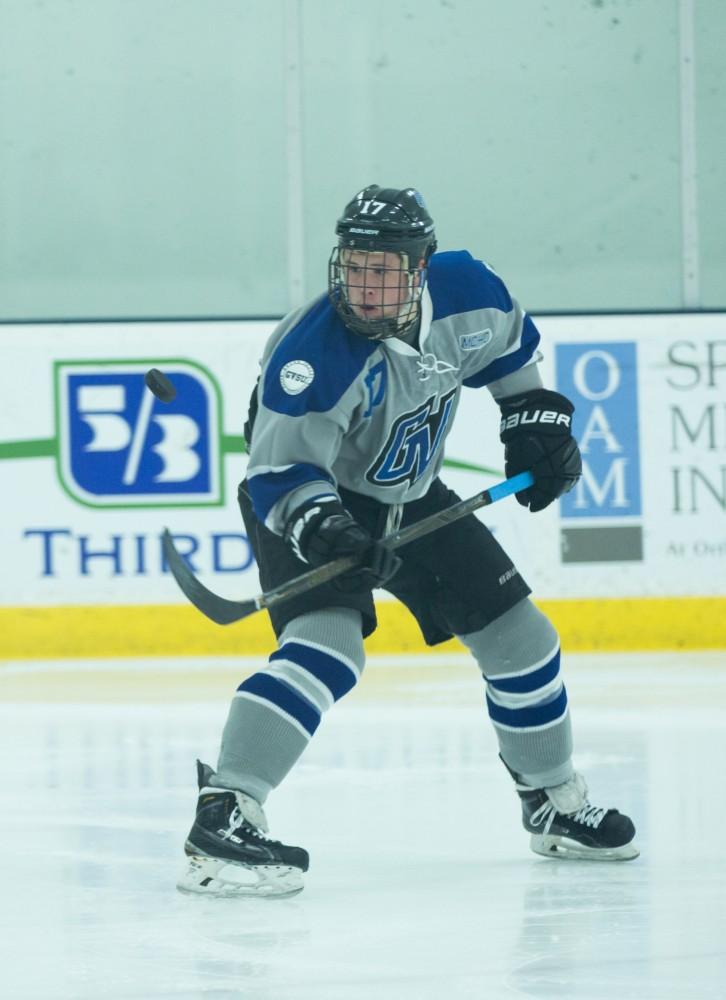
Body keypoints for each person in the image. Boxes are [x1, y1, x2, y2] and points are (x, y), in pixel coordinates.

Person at [177, 185, 638, 898]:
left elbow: (510, 361)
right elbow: (277, 474)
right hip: (315, 502)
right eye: (354, 267)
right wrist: (328, 528)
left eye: (382, 270)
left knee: (524, 640)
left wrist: (536, 423)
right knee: (328, 647)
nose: (364, 287)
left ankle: (552, 801)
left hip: (413, 496)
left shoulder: (467, 290)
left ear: (418, 271)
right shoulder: (312, 355)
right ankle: (226, 813)